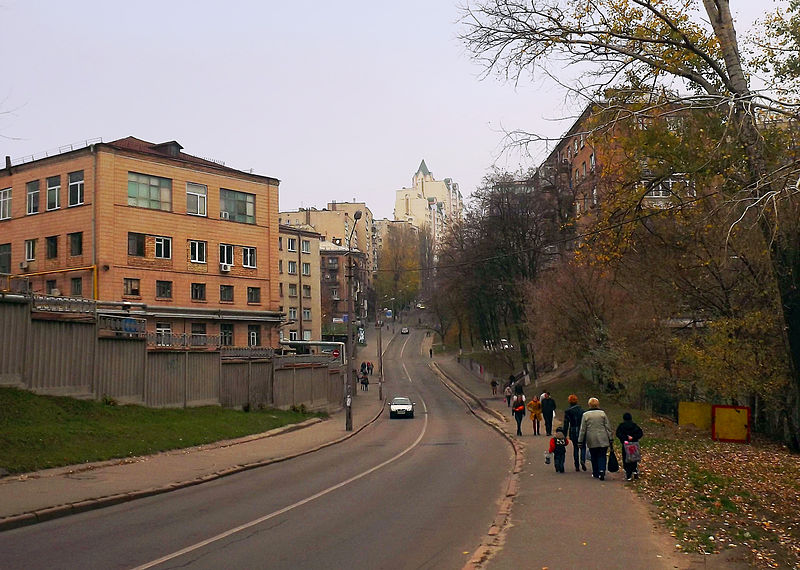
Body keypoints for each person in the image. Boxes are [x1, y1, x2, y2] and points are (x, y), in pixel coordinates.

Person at [578, 397, 613, 480]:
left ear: (589, 404)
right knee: (602, 455)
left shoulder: (586, 415)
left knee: (594, 456)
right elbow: (607, 427)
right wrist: (610, 438)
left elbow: (583, 429)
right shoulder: (602, 414)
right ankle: (602, 470)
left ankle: (596, 472)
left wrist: (580, 441)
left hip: (591, 438)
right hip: (603, 437)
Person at [616, 412, 644, 481]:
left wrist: (624, 438)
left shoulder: (621, 426)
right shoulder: (634, 426)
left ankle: (628, 474)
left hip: (625, 444)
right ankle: (634, 470)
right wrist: (634, 437)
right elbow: (640, 433)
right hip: (634, 444)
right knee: (634, 457)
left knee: (626, 458)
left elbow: (618, 434)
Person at [563, 394, 587, 472]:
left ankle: (576, 465)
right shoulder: (582, 410)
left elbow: (566, 423)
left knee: (575, 448)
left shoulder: (568, 411)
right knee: (583, 446)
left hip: (573, 430)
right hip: (581, 429)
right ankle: (582, 460)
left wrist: (564, 434)